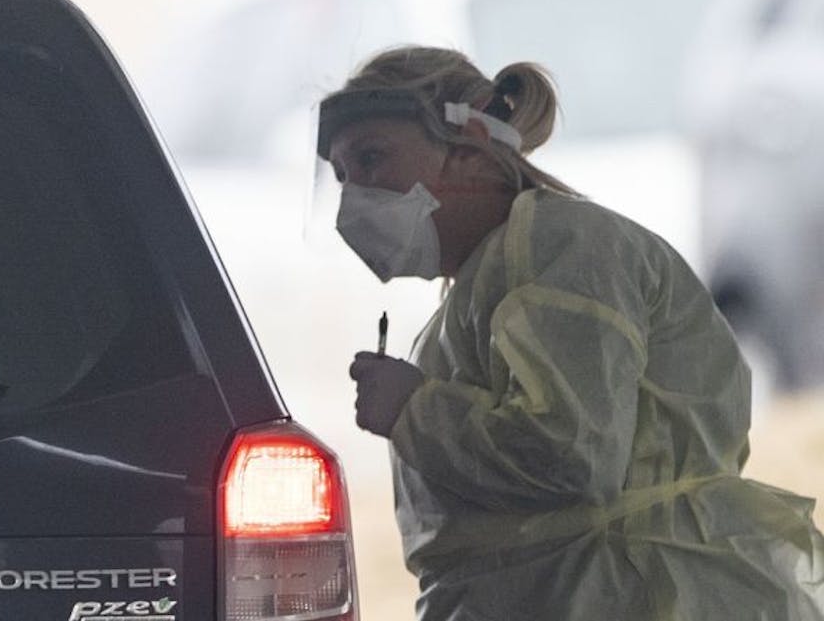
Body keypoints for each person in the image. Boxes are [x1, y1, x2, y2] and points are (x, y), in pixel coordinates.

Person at [322, 45, 824, 620]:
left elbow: (570, 454)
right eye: (341, 176)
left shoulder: (558, 249)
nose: (352, 199)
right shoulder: (485, 287)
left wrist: (414, 409)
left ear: (470, 142)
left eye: (371, 159)